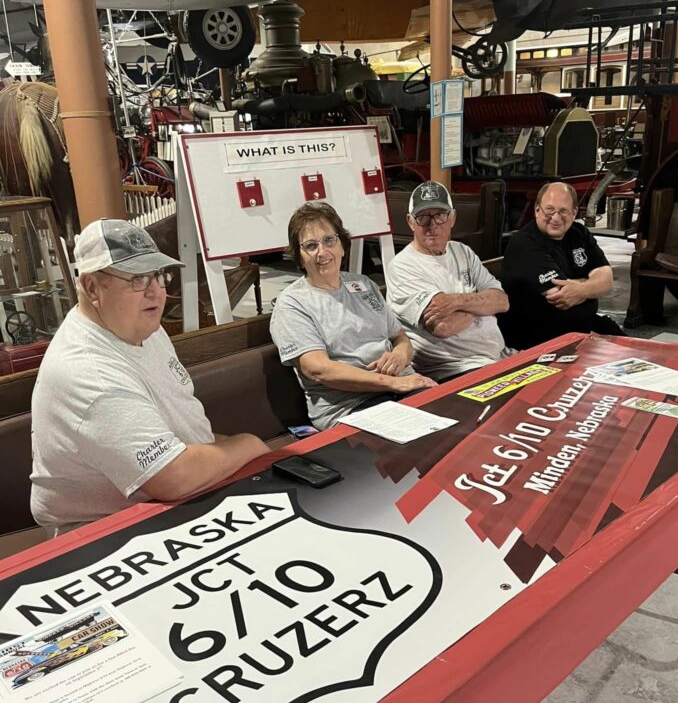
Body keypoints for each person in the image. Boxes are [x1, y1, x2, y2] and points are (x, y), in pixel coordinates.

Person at [30, 219, 270, 536]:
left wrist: (224, 451)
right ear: (91, 287)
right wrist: (251, 445)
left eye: (158, 274)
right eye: (138, 279)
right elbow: (173, 477)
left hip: (176, 495)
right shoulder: (88, 371)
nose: (157, 291)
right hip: (100, 531)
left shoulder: (141, 327)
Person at [270, 202, 435, 430]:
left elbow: (400, 338)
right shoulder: (292, 303)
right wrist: (394, 383)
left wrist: (400, 355)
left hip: (401, 389)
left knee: (462, 425)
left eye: (329, 240)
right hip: (350, 406)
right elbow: (318, 369)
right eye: (311, 245)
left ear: (342, 246)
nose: (322, 252)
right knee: (424, 440)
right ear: (299, 257)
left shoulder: (363, 284)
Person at [385, 181, 511, 381]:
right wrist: (481, 304)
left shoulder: (462, 252)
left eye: (440, 215)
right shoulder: (402, 266)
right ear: (410, 222)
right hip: (457, 369)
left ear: (452, 218)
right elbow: (444, 326)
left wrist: (455, 302)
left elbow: (502, 302)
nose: (432, 225)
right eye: (423, 217)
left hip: (500, 355)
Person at [499, 181, 625, 350]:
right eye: (549, 210)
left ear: (574, 213)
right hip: (540, 339)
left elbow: (607, 281)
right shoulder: (524, 243)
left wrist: (579, 288)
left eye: (563, 211)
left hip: (582, 328)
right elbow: (563, 297)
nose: (556, 218)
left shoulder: (579, 233)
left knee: (643, 357)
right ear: (537, 210)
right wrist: (590, 284)